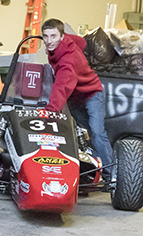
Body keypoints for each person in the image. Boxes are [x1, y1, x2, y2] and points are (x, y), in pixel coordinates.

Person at [41, 18, 114, 180]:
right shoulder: (63, 43)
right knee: (83, 135)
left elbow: (61, 86)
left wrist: (50, 111)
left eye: (53, 36)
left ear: (61, 36)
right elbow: (80, 41)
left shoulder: (68, 61)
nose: (48, 41)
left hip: (92, 94)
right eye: (46, 36)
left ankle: (111, 175)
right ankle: (93, 170)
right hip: (75, 99)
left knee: (96, 132)